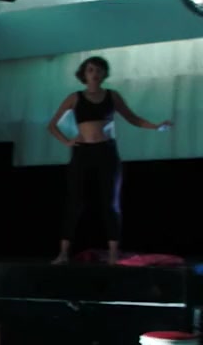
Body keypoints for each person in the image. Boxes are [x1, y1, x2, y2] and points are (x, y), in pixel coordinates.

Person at [47, 56, 173, 265]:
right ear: (84, 74)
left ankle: (114, 255)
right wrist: (67, 141)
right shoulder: (75, 97)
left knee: (111, 203)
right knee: (74, 202)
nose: (95, 74)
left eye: (99, 70)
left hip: (106, 152)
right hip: (82, 153)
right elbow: (52, 125)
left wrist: (156, 126)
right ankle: (63, 254)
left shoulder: (112, 96)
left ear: (104, 73)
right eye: (90, 70)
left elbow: (133, 118)